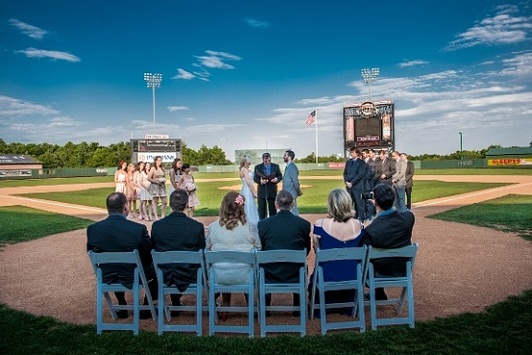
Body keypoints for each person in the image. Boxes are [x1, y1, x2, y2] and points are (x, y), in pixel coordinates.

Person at [86, 192, 157, 319]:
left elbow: (90, 251)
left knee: (113, 265)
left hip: (107, 276)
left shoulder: (93, 229)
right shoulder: (138, 229)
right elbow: (149, 253)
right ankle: (147, 307)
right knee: (156, 267)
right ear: (125, 207)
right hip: (134, 276)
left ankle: (122, 304)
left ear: (108, 208)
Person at [206, 191, 261, 321]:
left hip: (219, 277)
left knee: (225, 265)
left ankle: (225, 307)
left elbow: (207, 248)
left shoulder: (213, 227)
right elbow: (258, 248)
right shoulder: (249, 227)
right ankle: (250, 306)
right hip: (246, 276)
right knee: (246, 264)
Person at [308, 189, 364, 315]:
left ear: (331, 205)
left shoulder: (320, 224)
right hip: (352, 278)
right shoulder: (359, 225)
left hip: (326, 278)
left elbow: (317, 251)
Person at [151, 189, 206, 314]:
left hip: (163, 274)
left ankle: (174, 302)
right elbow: (201, 252)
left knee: (169, 261)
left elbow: (154, 250)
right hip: (190, 275)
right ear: (187, 204)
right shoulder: (196, 226)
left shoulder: (157, 226)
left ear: (170, 205)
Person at [257, 190, 311, 315]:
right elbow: (306, 250)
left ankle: (266, 310)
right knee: (299, 263)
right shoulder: (303, 224)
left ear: (276, 205)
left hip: (270, 272)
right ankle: (298, 309)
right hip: (295, 272)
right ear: (292, 205)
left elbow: (261, 249)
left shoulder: (263, 224)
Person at [362, 184, 415, 300]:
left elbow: (362, 251)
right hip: (402, 270)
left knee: (367, 258)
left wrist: (367, 225)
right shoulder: (409, 218)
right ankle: (379, 293)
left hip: (377, 273)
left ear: (375, 202)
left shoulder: (371, 230)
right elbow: (395, 216)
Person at [253, 152, 282, 220]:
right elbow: (255, 178)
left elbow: (280, 176)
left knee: (273, 211)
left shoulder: (276, 166)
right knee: (262, 211)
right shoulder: (258, 167)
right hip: (262, 191)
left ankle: (272, 225)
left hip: (272, 191)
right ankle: (262, 225)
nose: (267, 162)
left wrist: (276, 179)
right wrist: (261, 181)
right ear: (263, 159)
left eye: (269, 160)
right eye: (266, 161)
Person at [343, 147, 366, 221]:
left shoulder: (361, 162)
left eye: (352, 152)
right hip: (348, 186)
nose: (351, 154)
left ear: (357, 153)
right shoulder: (348, 162)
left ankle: (361, 218)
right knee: (349, 203)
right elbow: (345, 173)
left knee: (359, 203)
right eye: (350, 152)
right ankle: (350, 217)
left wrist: (352, 183)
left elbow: (360, 174)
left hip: (357, 186)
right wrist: (346, 181)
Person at [239, 155, 259, 226]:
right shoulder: (244, 170)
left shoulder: (245, 169)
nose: (250, 163)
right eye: (249, 161)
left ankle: (248, 222)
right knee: (249, 205)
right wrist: (254, 193)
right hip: (247, 191)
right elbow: (248, 182)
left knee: (249, 205)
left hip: (245, 190)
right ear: (245, 162)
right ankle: (250, 223)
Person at [282, 150, 303, 216]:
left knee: (294, 211)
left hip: (291, 193)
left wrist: (298, 191)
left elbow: (295, 182)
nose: (283, 157)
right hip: (287, 193)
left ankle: (297, 224)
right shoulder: (288, 167)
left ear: (290, 157)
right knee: (289, 210)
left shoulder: (292, 167)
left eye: (285, 155)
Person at [148, 156, 167, 220]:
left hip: (162, 186)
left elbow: (164, 177)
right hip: (155, 186)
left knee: (164, 201)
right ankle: (156, 216)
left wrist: (164, 180)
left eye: (161, 160)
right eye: (158, 160)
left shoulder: (162, 168)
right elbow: (149, 178)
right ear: (155, 161)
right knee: (155, 201)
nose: (160, 162)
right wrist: (157, 181)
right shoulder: (153, 168)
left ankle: (163, 215)